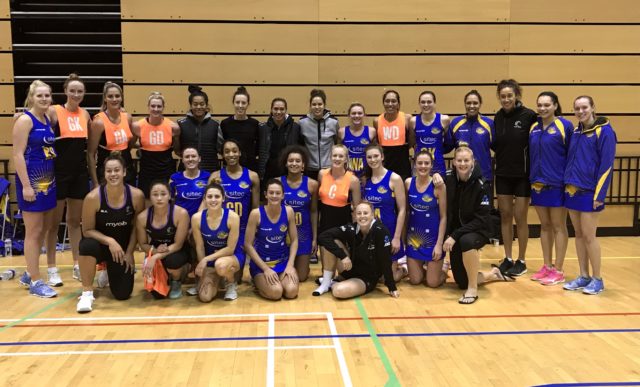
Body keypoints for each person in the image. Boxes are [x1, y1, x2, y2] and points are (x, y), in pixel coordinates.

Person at [444, 147, 515, 305]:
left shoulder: (482, 185)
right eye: (459, 160)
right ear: (454, 162)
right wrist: (434, 175)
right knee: (460, 281)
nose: (463, 164)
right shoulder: (448, 178)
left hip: (479, 230)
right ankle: (493, 274)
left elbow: (481, 220)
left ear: (473, 162)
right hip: (458, 232)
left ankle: (472, 289)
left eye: (466, 161)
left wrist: (454, 236)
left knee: (466, 242)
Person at [76, 153, 145, 312]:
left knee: (123, 294)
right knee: (86, 245)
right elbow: (87, 230)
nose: (113, 174)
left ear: (124, 172)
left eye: (116, 170)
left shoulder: (136, 196)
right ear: (104, 173)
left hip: (121, 250)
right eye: (109, 171)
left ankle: (109, 271)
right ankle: (87, 293)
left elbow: (137, 227)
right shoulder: (93, 197)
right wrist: (110, 241)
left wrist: (129, 252)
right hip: (101, 245)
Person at [562, 96, 616, 295]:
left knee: (589, 236)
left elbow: (606, 166)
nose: (581, 111)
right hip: (572, 191)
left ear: (593, 107)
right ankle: (583, 275)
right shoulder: (576, 131)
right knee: (578, 234)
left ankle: (597, 279)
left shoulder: (605, 132)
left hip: (590, 193)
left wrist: (599, 194)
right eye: (577, 108)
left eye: (584, 107)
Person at [42, 73, 91, 285]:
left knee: (74, 221)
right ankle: (51, 267)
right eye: (73, 90)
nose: (76, 94)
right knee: (53, 224)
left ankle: (77, 264)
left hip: (79, 173)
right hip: (58, 173)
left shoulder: (86, 114)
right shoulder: (54, 111)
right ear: (65, 91)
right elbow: (32, 120)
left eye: (80, 91)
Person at [13, 80, 59, 297]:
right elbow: (17, 154)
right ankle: (36, 281)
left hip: (48, 181)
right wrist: (26, 186)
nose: (44, 99)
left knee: (43, 229)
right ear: (31, 97)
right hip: (31, 181)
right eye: (40, 95)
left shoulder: (47, 118)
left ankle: (29, 271)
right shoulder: (24, 120)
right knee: (33, 232)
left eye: (47, 95)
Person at [492, 79, 537, 277]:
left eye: (510, 95)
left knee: (520, 218)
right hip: (502, 174)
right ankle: (508, 257)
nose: (506, 99)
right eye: (503, 96)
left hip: (522, 176)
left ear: (517, 95)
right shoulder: (497, 117)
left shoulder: (529, 116)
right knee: (505, 216)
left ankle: (522, 260)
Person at [529, 92, 573, 286]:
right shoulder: (533, 128)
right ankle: (547, 266)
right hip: (537, 184)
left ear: (555, 105)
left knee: (558, 226)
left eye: (547, 104)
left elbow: (572, 154)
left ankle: (559, 269)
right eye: (540, 105)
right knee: (545, 226)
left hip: (557, 184)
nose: (543, 108)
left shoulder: (565, 126)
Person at [317, 202, 399, 299]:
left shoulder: (380, 231)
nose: (362, 216)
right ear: (355, 215)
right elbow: (323, 236)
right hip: (350, 269)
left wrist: (391, 287)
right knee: (332, 241)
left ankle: (334, 283)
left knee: (338, 291)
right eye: (359, 213)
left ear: (372, 215)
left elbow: (385, 260)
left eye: (365, 213)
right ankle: (326, 283)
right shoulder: (352, 227)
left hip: (366, 278)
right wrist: (343, 256)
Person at [208, 139, 260, 281]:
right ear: (222, 155)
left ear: (240, 153)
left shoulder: (252, 176)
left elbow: (255, 209)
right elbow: (207, 205)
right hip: (220, 228)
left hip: (242, 229)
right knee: (219, 273)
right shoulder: (215, 177)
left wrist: (253, 232)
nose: (231, 154)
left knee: (236, 278)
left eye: (234, 151)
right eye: (227, 151)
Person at [313, 144, 361, 296]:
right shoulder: (322, 174)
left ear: (346, 159)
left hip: (342, 225)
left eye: (341, 156)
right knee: (326, 267)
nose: (337, 158)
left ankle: (330, 281)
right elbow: (317, 203)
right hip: (325, 222)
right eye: (335, 155)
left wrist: (356, 235)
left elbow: (358, 209)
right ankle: (327, 282)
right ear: (330, 156)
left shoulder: (352, 180)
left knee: (344, 270)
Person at [244, 179, 299, 300]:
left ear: (283, 195)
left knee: (291, 292)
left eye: (278, 193)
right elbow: (247, 245)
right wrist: (265, 269)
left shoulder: (289, 211)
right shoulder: (256, 214)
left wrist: (290, 265)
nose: (274, 196)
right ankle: (257, 281)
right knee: (276, 293)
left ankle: (278, 279)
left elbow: (294, 240)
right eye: (271, 193)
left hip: (283, 262)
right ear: (266, 194)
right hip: (262, 265)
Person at [136, 181, 190, 299]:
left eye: (163, 194)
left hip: (177, 251)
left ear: (170, 195)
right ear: (150, 197)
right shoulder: (142, 217)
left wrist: (155, 257)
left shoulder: (181, 213)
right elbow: (143, 244)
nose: (159, 198)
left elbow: (178, 244)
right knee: (157, 295)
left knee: (172, 262)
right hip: (156, 249)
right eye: (155, 194)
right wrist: (154, 251)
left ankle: (177, 280)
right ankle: (167, 276)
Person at [362, 144, 407, 281]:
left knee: (387, 279)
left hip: (390, 231)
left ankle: (404, 269)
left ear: (382, 157)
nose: (373, 159)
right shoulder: (366, 180)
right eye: (369, 157)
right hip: (372, 233)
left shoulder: (394, 178)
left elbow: (402, 209)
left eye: (376, 156)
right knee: (374, 276)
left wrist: (397, 238)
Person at [191, 182, 242, 302]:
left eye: (217, 196)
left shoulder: (233, 217)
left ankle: (230, 283)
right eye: (209, 197)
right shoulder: (196, 218)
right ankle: (218, 279)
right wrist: (204, 271)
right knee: (205, 297)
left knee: (221, 265)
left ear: (223, 198)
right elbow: (199, 246)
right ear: (204, 199)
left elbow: (230, 248)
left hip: (232, 256)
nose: (213, 200)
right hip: (210, 258)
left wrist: (205, 260)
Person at [405, 150, 447, 287]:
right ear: (414, 165)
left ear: (431, 165)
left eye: (426, 163)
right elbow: (406, 212)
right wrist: (403, 238)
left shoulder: (438, 186)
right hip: (414, 239)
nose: (423, 166)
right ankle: (424, 268)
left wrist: (439, 245)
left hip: (433, 240)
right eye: (420, 163)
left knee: (432, 283)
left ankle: (444, 267)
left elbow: (443, 217)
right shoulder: (408, 183)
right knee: (415, 280)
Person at [279, 145, 318, 282]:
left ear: (303, 165)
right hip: (282, 234)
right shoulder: (278, 183)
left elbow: (313, 211)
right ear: (286, 163)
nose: (294, 163)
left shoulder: (312, 184)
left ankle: (300, 266)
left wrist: (314, 238)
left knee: (301, 277)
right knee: (283, 274)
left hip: (303, 234)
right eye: (291, 160)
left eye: (297, 161)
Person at [132, 92, 180, 200]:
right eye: (153, 106)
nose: (156, 109)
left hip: (166, 171)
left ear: (163, 107)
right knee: (147, 201)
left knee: (166, 201)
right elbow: (130, 144)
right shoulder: (138, 126)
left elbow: (177, 149)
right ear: (148, 107)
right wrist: (141, 147)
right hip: (146, 172)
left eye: (159, 106)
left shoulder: (173, 127)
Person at [88, 82, 136, 187]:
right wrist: (95, 183)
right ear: (105, 98)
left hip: (127, 170)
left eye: (117, 96)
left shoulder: (127, 117)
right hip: (107, 173)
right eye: (110, 96)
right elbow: (91, 154)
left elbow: (129, 145)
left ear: (121, 98)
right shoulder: (98, 122)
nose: (114, 99)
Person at [447, 90, 495, 193]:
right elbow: (446, 146)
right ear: (465, 104)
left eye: (475, 103)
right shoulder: (456, 123)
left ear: (480, 104)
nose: (472, 106)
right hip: (461, 176)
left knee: (484, 209)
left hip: (484, 176)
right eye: (468, 103)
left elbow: (498, 147)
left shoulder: (489, 124)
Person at [176, 85, 222, 172]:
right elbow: (177, 151)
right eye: (195, 104)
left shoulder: (216, 124)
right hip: (186, 172)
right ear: (190, 105)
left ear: (206, 105)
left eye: (202, 104)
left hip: (210, 171)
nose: (198, 107)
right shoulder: (181, 124)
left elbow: (220, 149)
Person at [258, 97, 301, 184]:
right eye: (276, 109)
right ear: (271, 110)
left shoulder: (295, 128)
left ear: (286, 110)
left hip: (288, 173)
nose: (278, 112)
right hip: (268, 173)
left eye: (282, 109)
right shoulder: (263, 128)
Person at [298, 89, 339, 180]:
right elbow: (301, 145)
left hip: (329, 168)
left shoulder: (333, 122)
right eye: (314, 104)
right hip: (309, 169)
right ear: (310, 106)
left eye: (320, 104)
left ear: (324, 105)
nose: (317, 107)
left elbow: (337, 143)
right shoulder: (302, 123)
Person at [373, 90, 413, 181]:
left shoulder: (407, 119)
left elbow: (412, 141)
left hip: (402, 166)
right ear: (383, 103)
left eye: (393, 101)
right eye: (387, 101)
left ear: (398, 103)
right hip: (384, 166)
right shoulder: (377, 121)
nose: (390, 104)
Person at [409, 91, 450, 176]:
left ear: (434, 103)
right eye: (423, 102)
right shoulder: (413, 121)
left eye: (429, 102)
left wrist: (438, 152)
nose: (426, 104)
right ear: (419, 104)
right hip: (420, 166)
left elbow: (448, 143)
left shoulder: (444, 120)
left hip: (438, 166)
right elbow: (412, 142)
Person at [220, 86, 260, 172]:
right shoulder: (225, 123)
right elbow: (221, 147)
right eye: (237, 102)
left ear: (248, 104)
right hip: (230, 167)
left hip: (250, 168)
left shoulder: (255, 124)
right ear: (233, 103)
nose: (240, 106)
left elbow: (257, 148)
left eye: (243, 103)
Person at [337, 102, 376, 180]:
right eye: (353, 113)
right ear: (349, 115)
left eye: (359, 113)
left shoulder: (371, 131)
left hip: (366, 176)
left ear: (364, 115)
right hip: (347, 175)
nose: (356, 116)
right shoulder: (342, 132)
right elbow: (338, 153)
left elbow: (375, 154)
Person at [169, 147, 211, 218]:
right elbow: (170, 201)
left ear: (199, 158)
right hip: (181, 221)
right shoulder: (174, 178)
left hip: (202, 220)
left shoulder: (208, 177)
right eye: (187, 157)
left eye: (193, 156)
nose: (190, 159)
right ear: (182, 160)